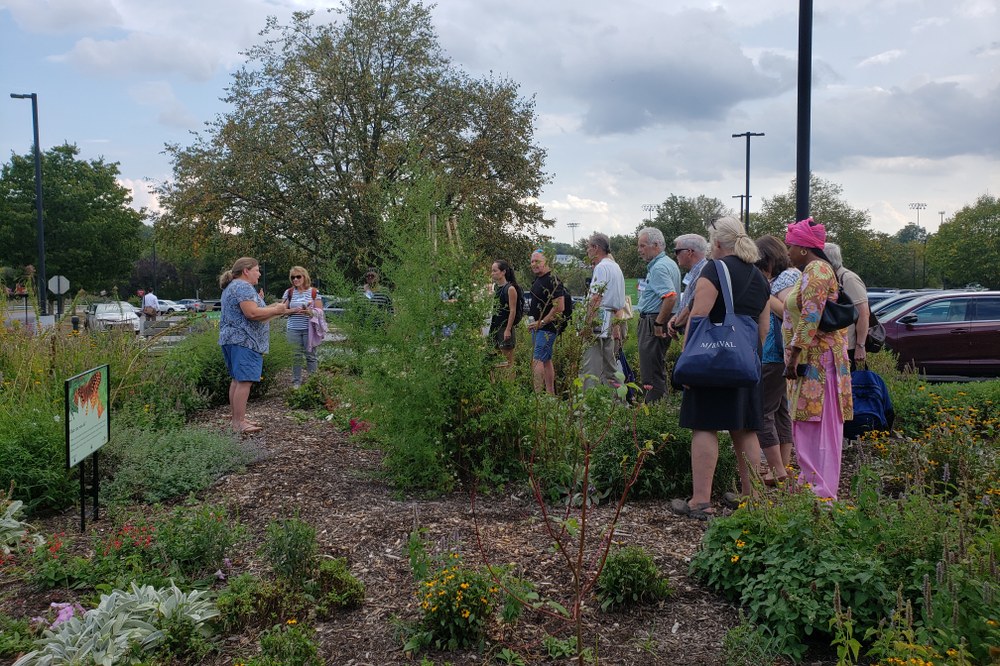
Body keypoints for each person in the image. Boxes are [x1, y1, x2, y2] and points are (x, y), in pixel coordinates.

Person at [669, 216, 770, 520]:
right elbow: (762, 330)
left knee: (705, 426)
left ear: (716, 243)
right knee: (746, 429)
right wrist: (749, 358)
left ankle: (700, 501)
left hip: (711, 363)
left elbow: (699, 317)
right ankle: (752, 498)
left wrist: (686, 361)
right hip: (745, 362)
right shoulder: (759, 277)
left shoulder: (714, 269)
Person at [783, 218, 853, 500]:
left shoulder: (817, 270)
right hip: (813, 360)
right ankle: (810, 485)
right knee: (808, 424)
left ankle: (820, 493)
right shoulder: (814, 269)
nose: (787, 251)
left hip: (818, 362)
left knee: (818, 426)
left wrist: (793, 356)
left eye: (790, 246)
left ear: (803, 248)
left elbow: (811, 316)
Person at [219, 257, 304, 435]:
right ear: (246, 271)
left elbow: (253, 311)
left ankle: (237, 419)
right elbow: (251, 313)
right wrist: (276, 309)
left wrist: (277, 309)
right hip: (245, 341)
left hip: (232, 340)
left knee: (236, 380)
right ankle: (239, 423)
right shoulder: (242, 286)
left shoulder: (231, 286)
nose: (259, 273)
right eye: (257, 269)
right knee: (244, 381)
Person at [754, 235, 800, 485]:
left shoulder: (787, 278)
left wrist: (764, 293)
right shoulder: (785, 277)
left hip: (774, 354)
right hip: (778, 354)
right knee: (781, 410)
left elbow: (789, 312)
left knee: (761, 411)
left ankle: (777, 468)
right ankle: (780, 467)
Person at [635, 227, 681, 403]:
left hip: (653, 320)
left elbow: (670, 297)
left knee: (650, 371)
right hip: (656, 318)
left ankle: (654, 413)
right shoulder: (668, 263)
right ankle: (661, 407)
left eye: (642, 245)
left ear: (655, 245)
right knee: (656, 366)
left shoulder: (659, 267)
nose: (639, 250)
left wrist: (658, 323)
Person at [581, 233, 626, 389]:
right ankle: (620, 403)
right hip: (612, 319)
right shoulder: (616, 267)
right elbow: (619, 301)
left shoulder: (601, 267)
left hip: (598, 321)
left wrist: (588, 324)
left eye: (588, 248)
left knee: (590, 366)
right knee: (610, 367)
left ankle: (587, 405)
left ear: (595, 248)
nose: (587, 252)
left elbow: (595, 298)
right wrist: (616, 325)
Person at [824, 243, 870, 372]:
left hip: (849, 346)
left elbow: (864, 314)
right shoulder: (831, 277)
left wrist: (860, 346)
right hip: (836, 343)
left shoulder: (848, 279)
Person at [526, 250, 565, 394]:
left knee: (537, 360)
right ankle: (550, 395)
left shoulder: (552, 280)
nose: (534, 264)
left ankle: (538, 398)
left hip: (546, 328)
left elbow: (560, 307)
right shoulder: (537, 280)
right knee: (546, 359)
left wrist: (542, 322)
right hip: (538, 328)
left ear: (546, 261)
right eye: (532, 261)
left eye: (537, 261)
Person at [282, 266, 323, 388]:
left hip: (309, 329)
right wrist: (294, 310)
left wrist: (309, 312)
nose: (295, 279)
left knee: (310, 355)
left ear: (305, 277)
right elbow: (282, 310)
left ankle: (313, 382)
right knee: (296, 356)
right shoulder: (288, 292)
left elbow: (320, 311)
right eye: (293, 277)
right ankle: (296, 382)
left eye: (298, 276)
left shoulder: (314, 292)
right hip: (293, 328)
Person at [666, 234, 709, 338]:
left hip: (699, 335)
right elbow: (688, 303)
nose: (676, 255)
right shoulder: (696, 272)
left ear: (689, 252)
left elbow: (692, 306)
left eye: (677, 251)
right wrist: (677, 316)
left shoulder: (704, 272)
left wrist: (675, 324)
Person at [489, 259, 522, 368]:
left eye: (495, 271)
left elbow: (513, 311)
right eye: (492, 271)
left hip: (505, 328)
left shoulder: (510, 289)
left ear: (503, 272)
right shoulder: (497, 288)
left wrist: (508, 329)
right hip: (495, 327)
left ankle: (511, 383)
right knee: (497, 361)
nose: (492, 273)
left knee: (508, 362)